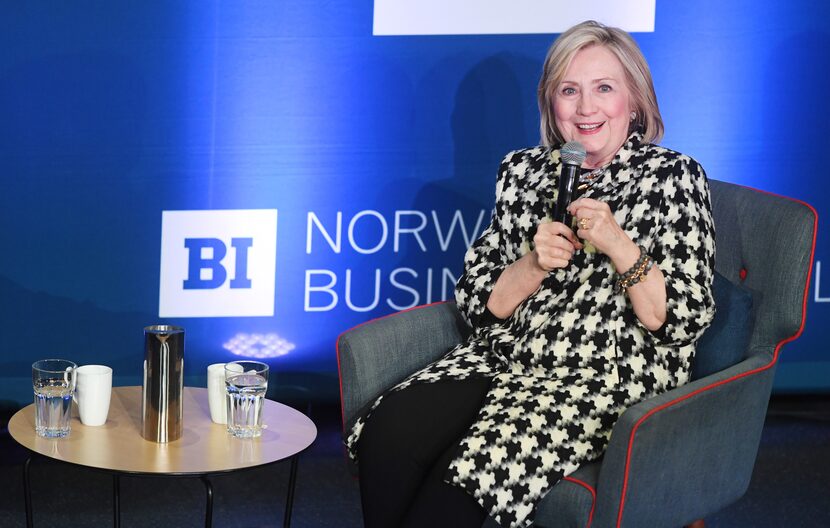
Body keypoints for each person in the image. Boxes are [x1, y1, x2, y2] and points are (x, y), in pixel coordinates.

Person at [346, 20, 716, 528]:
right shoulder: (523, 171)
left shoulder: (674, 177)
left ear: (635, 101)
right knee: (389, 432)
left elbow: (681, 320)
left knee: (471, 477)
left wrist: (619, 244)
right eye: (569, 91)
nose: (586, 108)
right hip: (503, 357)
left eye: (604, 88)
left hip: (601, 378)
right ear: (551, 105)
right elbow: (479, 304)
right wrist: (532, 263)